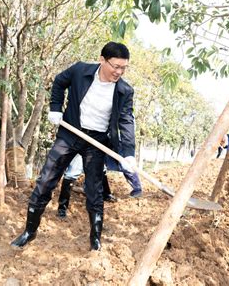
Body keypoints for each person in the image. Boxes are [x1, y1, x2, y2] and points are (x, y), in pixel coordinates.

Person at [11, 42, 136, 251]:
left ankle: (95, 240)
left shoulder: (124, 90)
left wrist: (129, 153)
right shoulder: (80, 71)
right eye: (115, 66)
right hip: (70, 133)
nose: (118, 72)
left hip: (96, 142)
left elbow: (126, 120)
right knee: (46, 181)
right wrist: (55, 108)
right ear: (102, 60)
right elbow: (60, 82)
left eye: (123, 68)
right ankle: (29, 232)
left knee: (95, 191)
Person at [57, 154, 142, 218]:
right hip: (79, 141)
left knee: (101, 168)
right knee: (72, 172)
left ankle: (106, 194)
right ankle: (62, 207)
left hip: (95, 141)